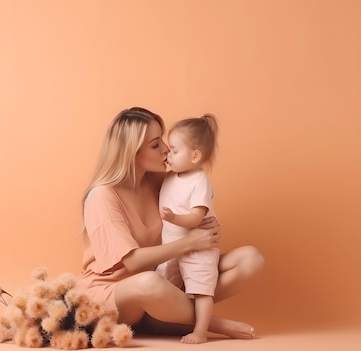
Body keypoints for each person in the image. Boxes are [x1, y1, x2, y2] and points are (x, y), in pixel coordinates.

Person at [75, 107, 264, 342]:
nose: (166, 149)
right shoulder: (102, 195)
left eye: (163, 140)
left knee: (250, 259)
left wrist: (206, 224)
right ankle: (208, 324)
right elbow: (132, 262)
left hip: (165, 285)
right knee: (149, 282)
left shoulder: (161, 182)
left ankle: (165, 317)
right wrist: (189, 243)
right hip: (113, 292)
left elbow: (195, 201)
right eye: (155, 145)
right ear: (131, 153)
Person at [156, 113, 221, 344]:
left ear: (194, 156)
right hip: (173, 247)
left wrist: (173, 217)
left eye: (174, 151)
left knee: (201, 290)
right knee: (166, 285)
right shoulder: (172, 176)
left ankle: (201, 331)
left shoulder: (199, 181)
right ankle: (169, 322)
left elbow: (196, 218)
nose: (168, 154)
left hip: (198, 248)